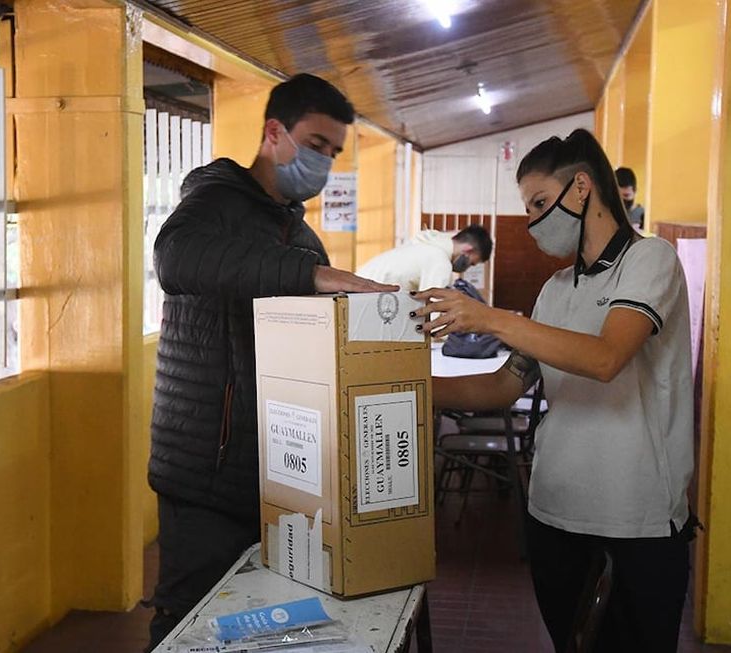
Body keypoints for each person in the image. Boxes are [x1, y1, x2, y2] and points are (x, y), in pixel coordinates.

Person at [412, 129, 695, 653]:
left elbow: (606, 357)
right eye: (528, 208)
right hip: (554, 512)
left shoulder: (650, 260)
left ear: (581, 188)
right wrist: (413, 389)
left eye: (541, 203)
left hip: (635, 520)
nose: (535, 222)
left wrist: (491, 318)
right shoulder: (555, 290)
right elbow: (504, 384)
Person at [146, 73, 395, 649]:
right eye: (315, 145)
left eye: (333, 152)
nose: (324, 162)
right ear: (274, 133)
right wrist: (315, 276)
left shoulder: (301, 236)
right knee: (188, 625)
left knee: (264, 625)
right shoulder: (216, 201)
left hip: (278, 474)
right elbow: (176, 257)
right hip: (205, 470)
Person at [355, 224, 492, 292]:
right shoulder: (440, 261)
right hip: (367, 297)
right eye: (472, 263)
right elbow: (433, 313)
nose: (467, 267)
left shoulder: (428, 242)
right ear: (468, 249)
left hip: (357, 289)